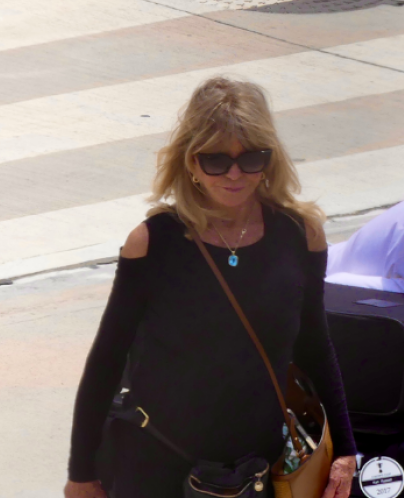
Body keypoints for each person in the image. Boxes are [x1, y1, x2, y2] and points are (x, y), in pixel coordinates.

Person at [64, 76, 358, 498]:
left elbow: (315, 346)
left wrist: (345, 450)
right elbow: (107, 360)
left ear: (269, 160)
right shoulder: (153, 243)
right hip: (155, 464)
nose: (234, 174)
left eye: (251, 158)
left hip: (255, 471)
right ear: (191, 162)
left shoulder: (300, 235)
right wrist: (81, 472)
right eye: (216, 160)